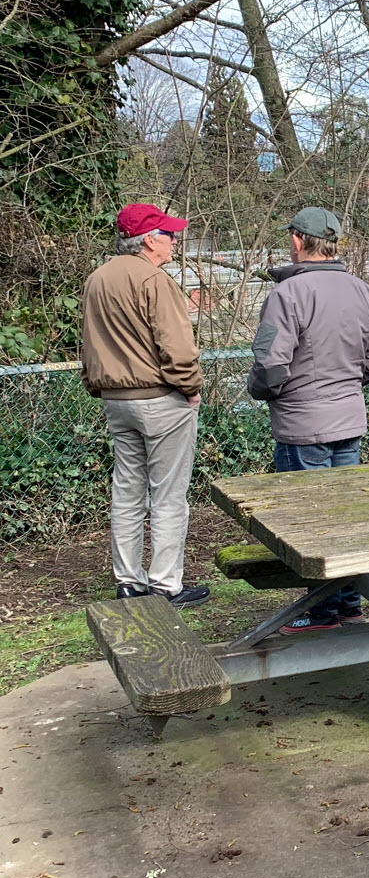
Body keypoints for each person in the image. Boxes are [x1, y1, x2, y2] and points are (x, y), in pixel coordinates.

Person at [247, 208, 369, 634]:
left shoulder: (287, 295)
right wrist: (349, 382)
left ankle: (323, 611)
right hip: (348, 418)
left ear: (297, 241)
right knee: (345, 518)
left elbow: (271, 367)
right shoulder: (363, 291)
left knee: (312, 523)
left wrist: (262, 389)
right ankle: (348, 604)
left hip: (302, 423)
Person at [79, 204, 208, 608]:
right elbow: (177, 348)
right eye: (169, 235)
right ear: (149, 240)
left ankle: (128, 581)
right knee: (168, 495)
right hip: (160, 399)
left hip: (116, 401)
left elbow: (87, 343)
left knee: (127, 491)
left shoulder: (97, 279)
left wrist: (96, 386)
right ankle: (166, 585)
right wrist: (191, 388)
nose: (174, 242)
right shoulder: (155, 280)